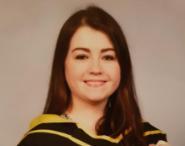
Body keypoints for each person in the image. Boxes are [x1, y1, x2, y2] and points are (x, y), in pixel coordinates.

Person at [17, 5, 169, 146]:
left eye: (108, 57)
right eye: (82, 57)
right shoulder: (40, 141)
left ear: (123, 65)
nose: (96, 69)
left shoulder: (148, 138)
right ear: (62, 64)